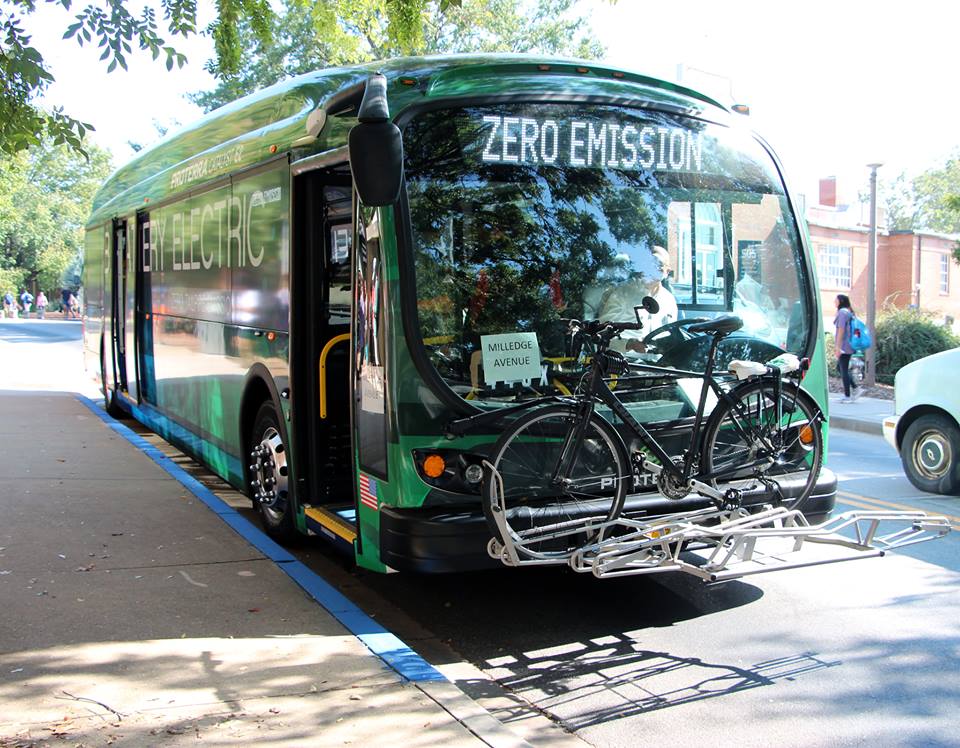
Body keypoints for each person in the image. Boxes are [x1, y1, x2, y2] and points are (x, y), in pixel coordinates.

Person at [595, 245, 678, 352]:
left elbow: (671, 336)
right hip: (623, 362)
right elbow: (600, 335)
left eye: (659, 265)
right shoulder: (621, 293)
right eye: (650, 264)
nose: (653, 270)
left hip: (658, 364)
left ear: (667, 272)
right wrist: (629, 344)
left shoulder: (669, 300)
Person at [834, 294, 861, 403]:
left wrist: (838, 347)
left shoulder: (842, 313)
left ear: (840, 301)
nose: (834, 301)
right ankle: (855, 388)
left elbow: (841, 330)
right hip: (848, 345)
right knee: (840, 368)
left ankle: (848, 395)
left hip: (844, 346)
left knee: (843, 369)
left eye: (836, 299)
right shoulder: (847, 312)